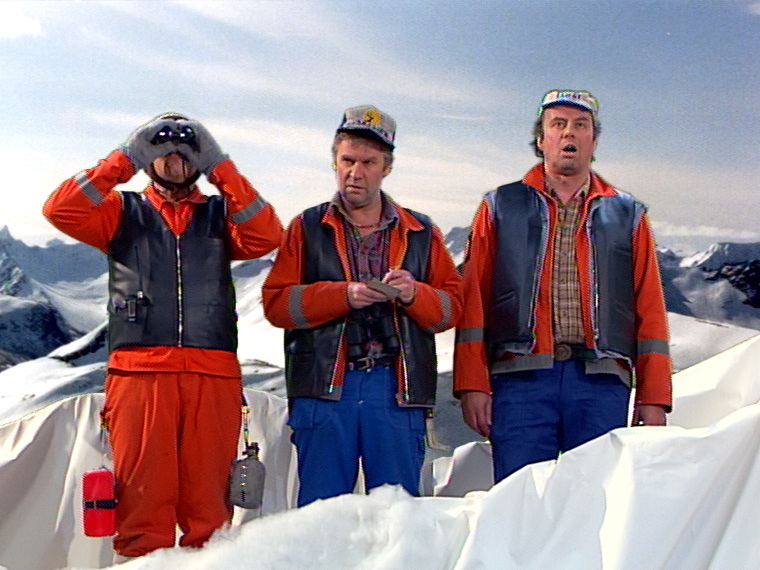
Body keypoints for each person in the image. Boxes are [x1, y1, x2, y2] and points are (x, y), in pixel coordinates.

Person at [43, 113, 283, 557]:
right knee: (141, 507)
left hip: (212, 374)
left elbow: (266, 236)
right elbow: (61, 209)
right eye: (163, 151)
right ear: (147, 159)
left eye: (187, 153)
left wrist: (221, 167)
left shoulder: (221, 215)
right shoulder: (120, 211)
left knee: (209, 513)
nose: (175, 161)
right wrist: (125, 157)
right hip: (138, 374)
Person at [454, 90, 672, 483]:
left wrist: (653, 396)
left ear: (593, 139)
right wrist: (472, 384)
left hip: (601, 383)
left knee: (593, 501)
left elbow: (650, 308)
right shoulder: (500, 205)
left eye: (580, 125)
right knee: (519, 498)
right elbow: (473, 301)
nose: (569, 133)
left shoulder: (628, 214)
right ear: (541, 139)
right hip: (519, 379)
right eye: (558, 124)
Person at [262, 105, 462, 506]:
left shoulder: (422, 232)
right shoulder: (306, 227)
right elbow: (276, 304)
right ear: (334, 162)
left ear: (387, 167)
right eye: (347, 160)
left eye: (368, 162)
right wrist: (342, 296)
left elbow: (452, 309)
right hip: (325, 392)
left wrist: (414, 294)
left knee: (396, 514)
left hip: (395, 391)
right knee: (321, 514)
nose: (355, 172)